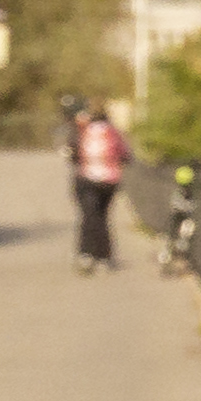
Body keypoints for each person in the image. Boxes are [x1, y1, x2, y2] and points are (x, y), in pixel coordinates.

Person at [66, 95, 129, 274]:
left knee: (88, 216)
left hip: (87, 178)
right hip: (110, 181)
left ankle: (86, 253)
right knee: (102, 217)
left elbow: (73, 153)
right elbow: (125, 155)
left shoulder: (83, 130)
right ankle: (104, 255)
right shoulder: (113, 132)